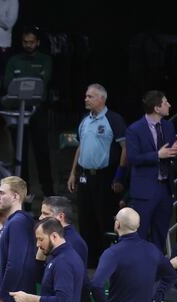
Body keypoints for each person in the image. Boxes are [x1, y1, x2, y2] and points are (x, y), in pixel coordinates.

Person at [67, 83, 128, 266]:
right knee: (85, 218)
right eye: (86, 96)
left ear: (102, 98)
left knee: (105, 217)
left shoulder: (114, 119)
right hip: (85, 175)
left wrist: (120, 176)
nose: (86, 99)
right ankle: (89, 259)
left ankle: (107, 259)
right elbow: (80, 146)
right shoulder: (85, 120)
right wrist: (73, 173)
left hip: (105, 176)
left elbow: (126, 148)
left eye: (90, 96)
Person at [125, 90, 177, 250]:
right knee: (140, 233)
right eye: (165, 102)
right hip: (144, 191)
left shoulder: (168, 125)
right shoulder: (134, 129)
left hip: (165, 188)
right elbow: (133, 158)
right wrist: (157, 155)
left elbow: (169, 153)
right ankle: (138, 271)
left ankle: (156, 271)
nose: (169, 105)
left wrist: (175, 152)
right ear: (157, 108)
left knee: (160, 233)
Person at [3, 26, 53, 196]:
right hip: (18, 111)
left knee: (42, 152)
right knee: (20, 154)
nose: (28, 45)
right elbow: (8, 84)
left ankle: (49, 192)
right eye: (25, 42)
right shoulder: (14, 60)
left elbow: (41, 82)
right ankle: (24, 194)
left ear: (37, 42)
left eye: (31, 42)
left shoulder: (45, 59)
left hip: (38, 111)